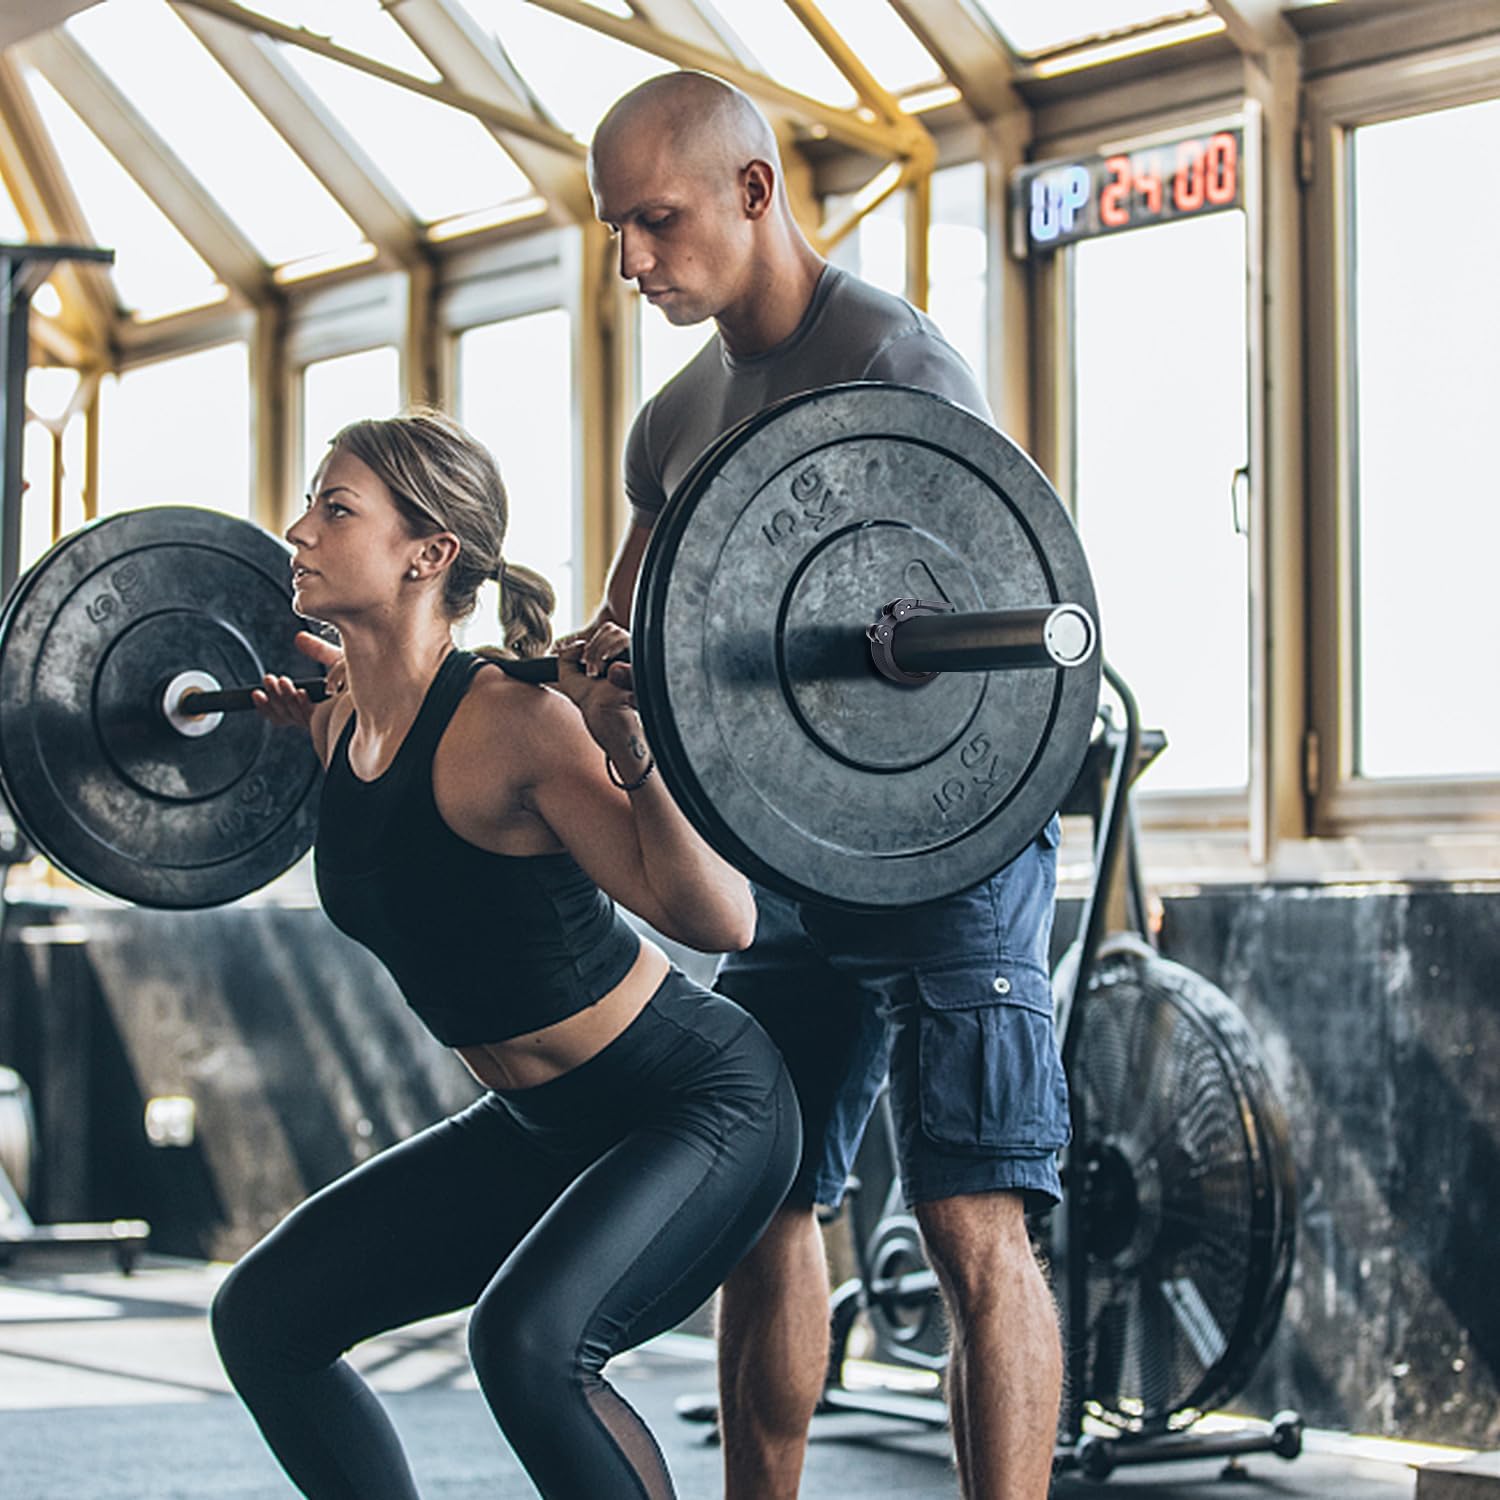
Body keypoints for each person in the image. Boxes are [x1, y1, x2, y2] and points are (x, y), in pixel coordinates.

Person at [575, 71, 1071, 1500]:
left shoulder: (894, 370)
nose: (631, 263)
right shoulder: (674, 422)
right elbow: (640, 628)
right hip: (786, 856)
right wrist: (603, 676)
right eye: (616, 230)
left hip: (946, 846)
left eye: (656, 223)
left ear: (753, 190)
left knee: (975, 1222)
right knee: (766, 1193)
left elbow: (979, 660)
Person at [210, 407, 801, 1500]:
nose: (296, 530)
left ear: (427, 555)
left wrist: (628, 747)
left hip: (693, 1106)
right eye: (309, 504)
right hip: (538, 1126)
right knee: (267, 1319)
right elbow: (399, 836)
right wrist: (301, 724)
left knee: (528, 1349)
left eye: (334, 509)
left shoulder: (516, 724)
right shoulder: (343, 720)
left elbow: (725, 922)